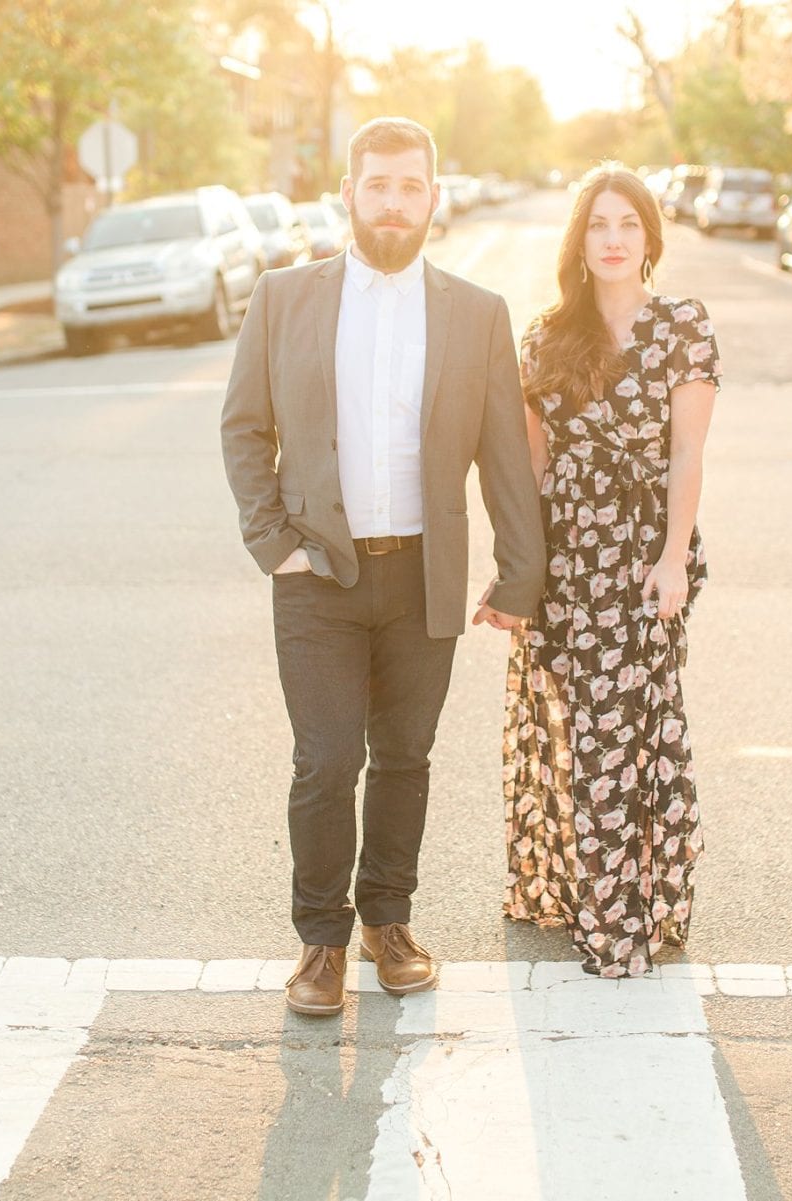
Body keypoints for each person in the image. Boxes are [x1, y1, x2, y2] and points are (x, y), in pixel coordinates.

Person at [221, 117, 547, 1017]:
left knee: (405, 755)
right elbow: (246, 428)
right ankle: (320, 941)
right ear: (349, 194)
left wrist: (521, 574)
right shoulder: (284, 298)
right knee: (326, 761)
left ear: (433, 199)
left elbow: (504, 461)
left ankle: (387, 922)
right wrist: (273, 543)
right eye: (379, 185)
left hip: (423, 577)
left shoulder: (477, 313)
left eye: (411, 187)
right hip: (317, 574)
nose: (395, 203)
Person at [502, 163, 721, 979]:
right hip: (568, 561)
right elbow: (528, 464)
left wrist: (671, 558)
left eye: (628, 223)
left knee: (636, 727)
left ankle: (628, 910)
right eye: (598, 224)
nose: (615, 239)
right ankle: (597, 895)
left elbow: (689, 452)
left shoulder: (683, 326)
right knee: (585, 728)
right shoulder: (546, 337)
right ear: (579, 241)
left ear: (649, 237)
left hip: (644, 557)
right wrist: (519, 573)